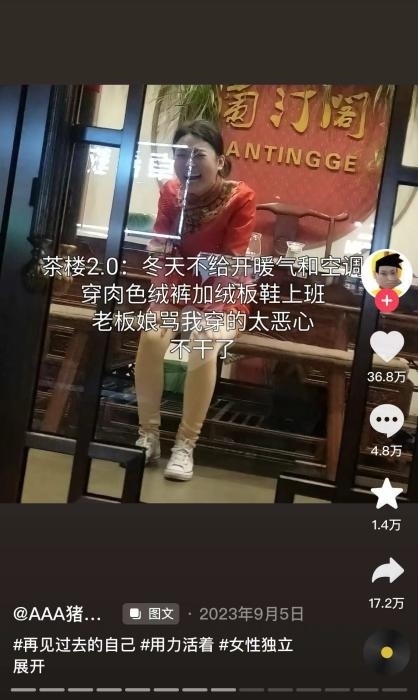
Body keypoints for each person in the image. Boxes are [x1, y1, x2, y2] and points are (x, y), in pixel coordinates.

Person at [134, 119, 256, 481]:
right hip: (177, 283)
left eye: (198, 155)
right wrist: (161, 262)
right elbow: (162, 244)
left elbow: (231, 261)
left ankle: (185, 445)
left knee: (203, 340)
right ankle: (147, 435)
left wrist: (200, 310)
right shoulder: (170, 192)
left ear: (220, 161)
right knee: (151, 337)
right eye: (180, 155)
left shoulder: (241, 198)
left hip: (224, 288)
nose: (188, 163)